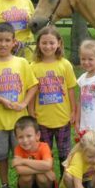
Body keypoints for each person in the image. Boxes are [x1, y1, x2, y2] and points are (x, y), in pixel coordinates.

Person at [0, 22, 38, 188]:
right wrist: (1, 100)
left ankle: (26, 184)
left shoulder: (21, 62)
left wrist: (24, 104)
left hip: (18, 121)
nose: (3, 44)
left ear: (14, 42)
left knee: (23, 152)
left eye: (7, 40)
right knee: (0, 155)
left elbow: (33, 86)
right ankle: (5, 184)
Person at [29, 26, 77, 175]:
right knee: (44, 154)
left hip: (63, 118)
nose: (48, 46)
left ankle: (65, 184)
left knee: (65, 154)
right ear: (38, 44)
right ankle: (48, 186)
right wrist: (31, 110)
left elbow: (70, 89)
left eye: (51, 43)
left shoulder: (65, 64)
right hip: (42, 119)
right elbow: (31, 91)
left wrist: (74, 111)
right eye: (44, 43)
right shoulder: (33, 67)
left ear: (59, 43)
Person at [12, 116, 57, 188]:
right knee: (26, 176)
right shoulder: (18, 149)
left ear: (38, 135)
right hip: (27, 186)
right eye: (20, 137)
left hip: (46, 184)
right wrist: (45, 170)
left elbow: (48, 165)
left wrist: (23, 161)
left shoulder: (44, 146)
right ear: (16, 138)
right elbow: (19, 170)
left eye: (29, 136)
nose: (25, 141)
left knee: (41, 176)